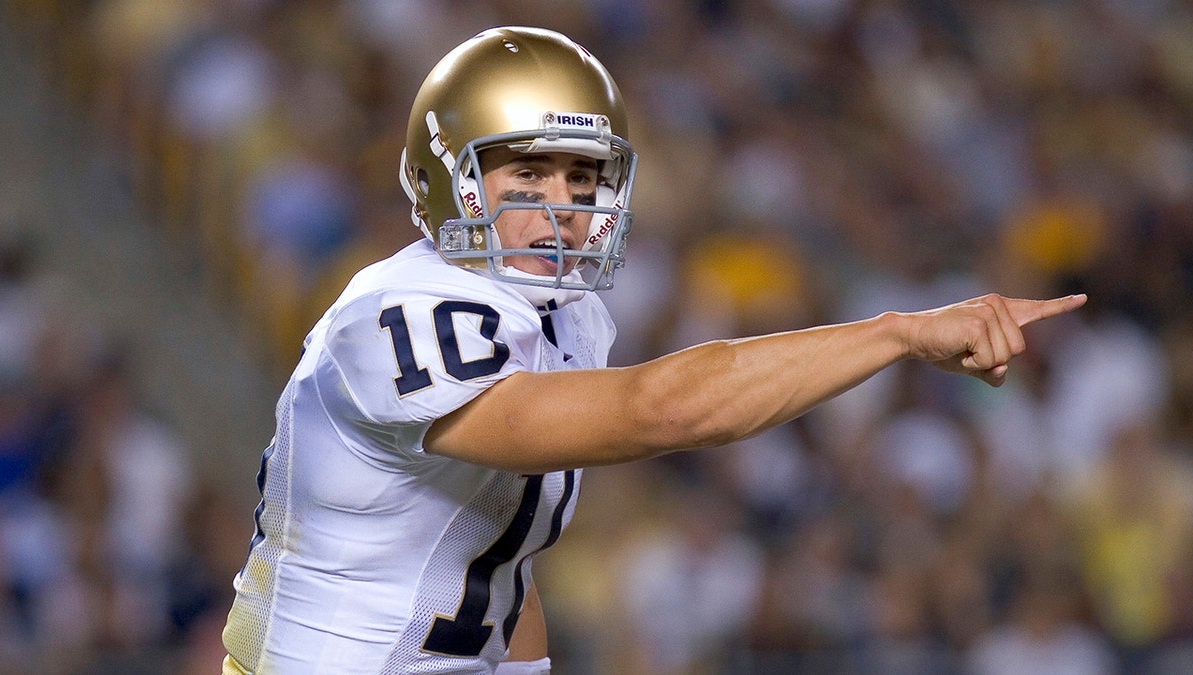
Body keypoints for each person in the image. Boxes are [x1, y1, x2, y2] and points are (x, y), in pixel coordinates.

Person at [220, 26, 1086, 675]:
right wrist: (894, 333)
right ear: (452, 178)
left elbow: (501, 558)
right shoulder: (395, 312)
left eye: (582, 177)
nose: (561, 205)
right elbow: (665, 408)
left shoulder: (569, 315)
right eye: (527, 173)